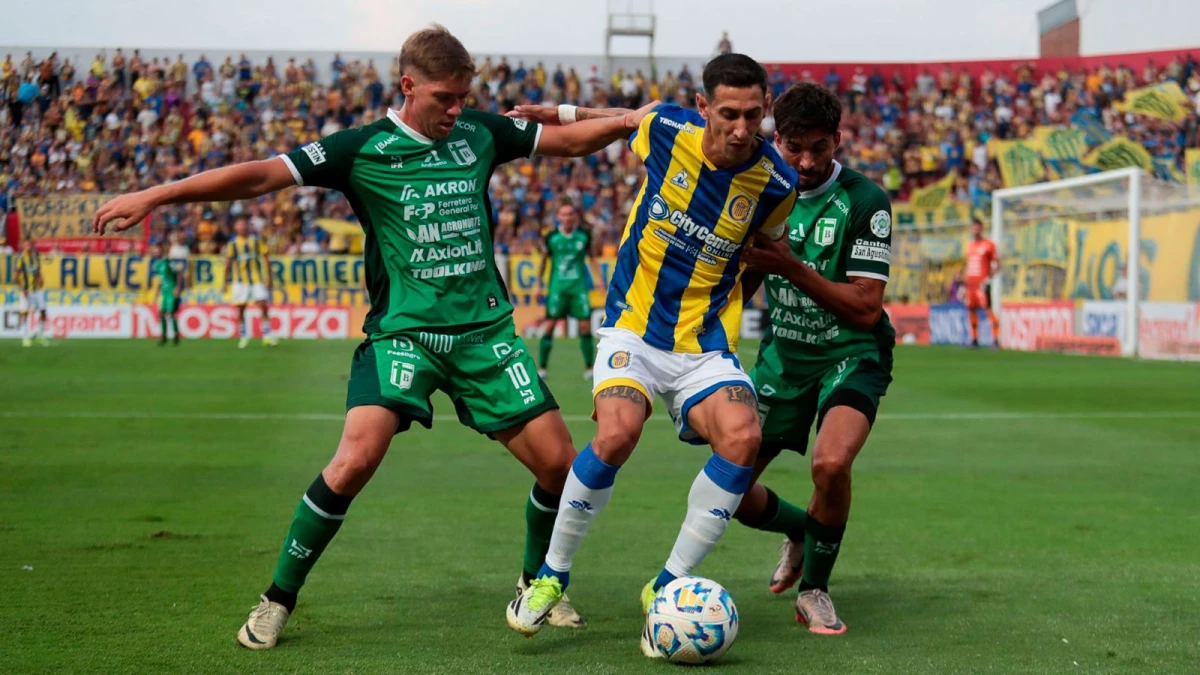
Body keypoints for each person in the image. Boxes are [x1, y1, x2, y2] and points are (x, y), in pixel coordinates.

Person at [93, 24, 654, 651]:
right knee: (355, 459)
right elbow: (258, 176)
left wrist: (629, 119)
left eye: (464, 97)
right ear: (408, 86)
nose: (457, 110)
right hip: (405, 336)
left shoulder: (479, 134)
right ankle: (277, 599)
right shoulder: (360, 149)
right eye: (445, 98)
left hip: (485, 336)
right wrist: (156, 193)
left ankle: (535, 585)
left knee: (558, 464)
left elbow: (571, 141)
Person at [505, 55, 799, 657]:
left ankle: (665, 586)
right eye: (727, 114)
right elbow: (621, 118)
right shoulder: (667, 130)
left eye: (751, 115)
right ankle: (551, 576)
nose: (741, 128)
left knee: (742, 439)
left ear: (765, 109)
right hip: (631, 328)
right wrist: (555, 114)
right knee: (616, 435)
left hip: (704, 342)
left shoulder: (776, 185)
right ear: (702, 109)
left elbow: (768, 248)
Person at [730, 83, 895, 635]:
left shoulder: (865, 200)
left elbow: (867, 308)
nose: (804, 161)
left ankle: (816, 589)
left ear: (837, 141)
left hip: (851, 353)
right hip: (784, 355)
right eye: (793, 147)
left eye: (819, 148)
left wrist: (793, 267)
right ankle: (805, 530)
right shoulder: (759, 190)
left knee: (829, 464)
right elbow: (745, 278)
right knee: (726, 492)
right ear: (777, 138)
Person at [536, 199, 594, 380]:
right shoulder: (552, 237)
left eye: (570, 214)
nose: (567, 217)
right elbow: (544, 261)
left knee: (585, 326)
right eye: (564, 214)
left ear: (575, 216)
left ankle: (589, 368)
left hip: (578, 288)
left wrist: (600, 281)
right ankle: (543, 367)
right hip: (557, 288)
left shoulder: (584, 236)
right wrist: (539, 284)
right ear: (558, 217)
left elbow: (592, 259)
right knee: (550, 326)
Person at [221, 216, 278, 348]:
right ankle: (243, 335)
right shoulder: (233, 244)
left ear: (248, 226)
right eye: (239, 225)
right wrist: (225, 282)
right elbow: (228, 264)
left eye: (244, 224)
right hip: (240, 281)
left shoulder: (257, 241)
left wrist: (269, 278)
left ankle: (267, 335)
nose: (242, 227)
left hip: (257, 279)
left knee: (263, 304)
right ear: (235, 228)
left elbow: (267, 259)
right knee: (241, 308)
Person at [964, 218, 999, 347]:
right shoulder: (969, 245)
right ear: (971, 229)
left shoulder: (988, 244)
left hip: (981, 284)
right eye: (973, 227)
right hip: (970, 285)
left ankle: (995, 340)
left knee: (987, 309)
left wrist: (988, 279)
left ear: (982, 229)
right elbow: (968, 265)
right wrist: (964, 282)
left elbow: (997, 264)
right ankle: (974, 339)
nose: (975, 230)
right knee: (971, 310)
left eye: (978, 227)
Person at [15, 239, 50, 347]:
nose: (28, 246)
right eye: (26, 245)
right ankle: (25, 337)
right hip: (26, 290)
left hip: (37, 290)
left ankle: (39, 335)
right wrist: (22, 288)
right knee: (25, 312)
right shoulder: (20, 258)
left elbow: (38, 272)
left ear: (32, 245)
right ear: (23, 246)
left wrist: (41, 279)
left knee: (43, 311)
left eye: (29, 244)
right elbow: (16, 275)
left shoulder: (36, 257)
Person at [149, 241, 182, 346]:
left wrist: (177, 287)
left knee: (171, 313)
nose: (155, 252)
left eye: (157, 250)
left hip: (171, 291)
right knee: (162, 313)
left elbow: (179, 274)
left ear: (161, 251)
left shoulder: (167, 262)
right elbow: (161, 279)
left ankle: (176, 336)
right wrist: (157, 291)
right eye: (155, 250)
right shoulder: (156, 264)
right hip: (164, 292)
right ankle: (164, 336)